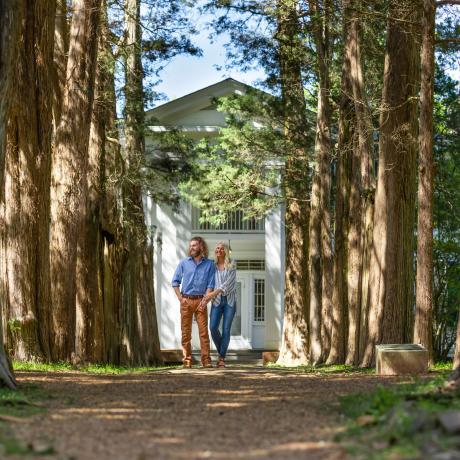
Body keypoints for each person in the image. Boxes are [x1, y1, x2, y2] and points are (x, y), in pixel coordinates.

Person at [172, 236, 216, 368]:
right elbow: (175, 282)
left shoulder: (209, 264)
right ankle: (187, 360)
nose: (191, 248)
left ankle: (206, 360)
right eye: (190, 245)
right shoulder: (183, 263)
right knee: (185, 332)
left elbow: (210, 284)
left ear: (201, 247)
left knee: (203, 332)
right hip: (186, 300)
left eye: (194, 245)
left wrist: (205, 300)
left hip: (201, 301)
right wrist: (180, 298)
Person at [205, 242, 237, 368]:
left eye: (221, 248)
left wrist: (214, 292)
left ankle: (222, 358)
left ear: (226, 251)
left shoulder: (232, 264)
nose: (219, 250)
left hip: (229, 301)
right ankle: (221, 352)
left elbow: (229, 284)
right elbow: (209, 282)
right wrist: (208, 296)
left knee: (226, 329)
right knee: (213, 327)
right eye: (217, 248)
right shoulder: (212, 266)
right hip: (217, 301)